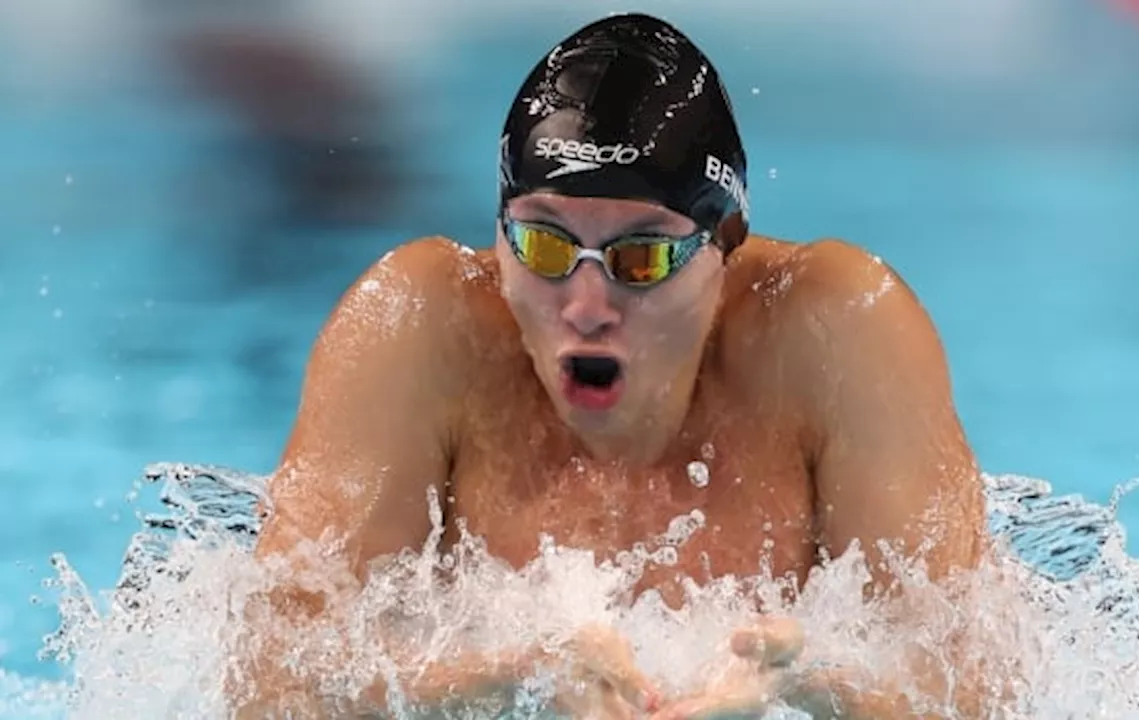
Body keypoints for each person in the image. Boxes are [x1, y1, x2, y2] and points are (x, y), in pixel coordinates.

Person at [237, 11, 991, 719]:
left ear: (724, 241)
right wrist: (506, 678)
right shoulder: (416, 329)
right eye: (544, 245)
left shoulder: (838, 332)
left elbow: (982, 686)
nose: (587, 303)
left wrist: (808, 688)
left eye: (643, 256)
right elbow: (267, 680)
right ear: (498, 234)